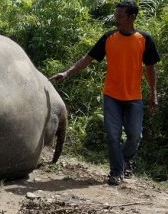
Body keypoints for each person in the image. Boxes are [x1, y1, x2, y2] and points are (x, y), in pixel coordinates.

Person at [50, 1, 160, 185]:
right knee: (113, 135)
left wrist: (153, 93)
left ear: (132, 17)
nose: (115, 20)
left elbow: (151, 69)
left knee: (135, 136)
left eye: (119, 17)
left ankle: (125, 160)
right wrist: (67, 72)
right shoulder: (108, 38)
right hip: (111, 96)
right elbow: (88, 58)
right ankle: (116, 172)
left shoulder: (144, 39)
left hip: (134, 97)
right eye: (115, 16)